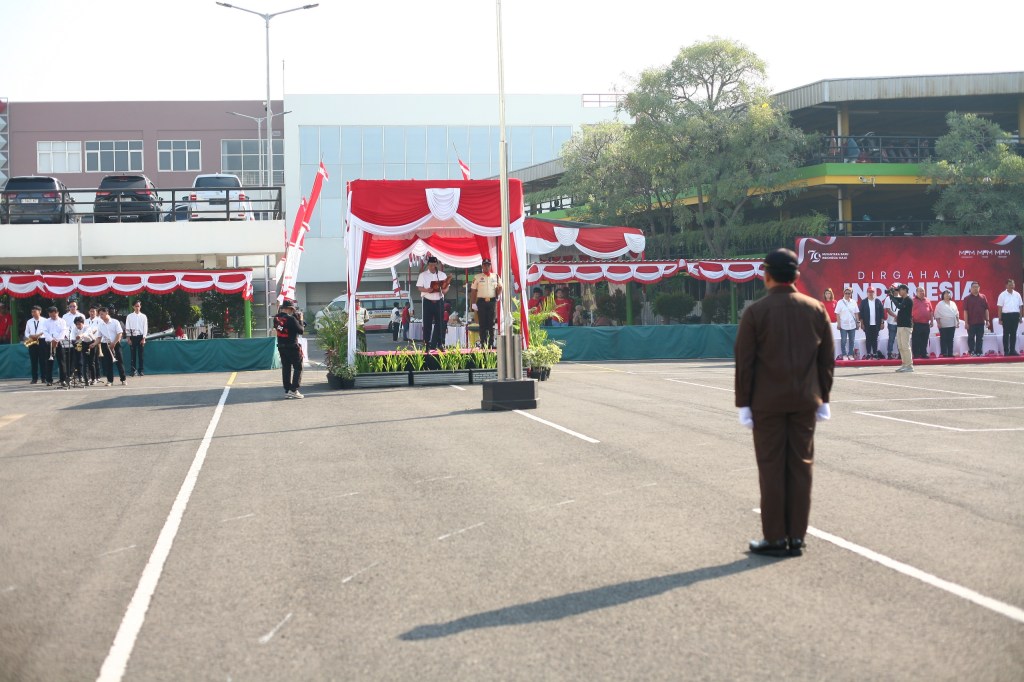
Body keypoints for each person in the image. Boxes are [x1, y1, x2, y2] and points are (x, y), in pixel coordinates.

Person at [735, 248, 834, 557]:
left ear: (766, 275)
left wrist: (744, 404)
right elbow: (826, 361)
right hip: (806, 400)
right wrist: (824, 398)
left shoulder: (755, 312)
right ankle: (796, 537)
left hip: (767, 404)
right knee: (801, 468)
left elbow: (745, 363)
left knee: (772, 468)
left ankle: (775, 537)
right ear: (797, 276)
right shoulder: (816, 308)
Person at [416, 256, 450, 350]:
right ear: (428, 265)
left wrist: (444, 290)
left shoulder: (442, 275)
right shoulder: (423, 275)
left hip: (439, 301)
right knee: (427, 324)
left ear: (437, 265)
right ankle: (427, 344)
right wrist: (427, 290)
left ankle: (440, 344)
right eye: (431, 265)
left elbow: (447, 286)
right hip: (428, 301)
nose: (433, 267)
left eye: (434, 265)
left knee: (440, 324)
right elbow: (419, 287)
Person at [274, 299, 305, 399]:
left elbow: (284, 328)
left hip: (281, 346)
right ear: (289, 309)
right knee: (298, 367)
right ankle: (294, 390)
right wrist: (300, 320)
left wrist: (298, 321)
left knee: (286, 368)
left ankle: (287, 389)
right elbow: (301, 330)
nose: (293, 312)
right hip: (292, 346)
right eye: (292, 310)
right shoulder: (291, 319)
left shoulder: (276, 318)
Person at [471, 258, 502, 349]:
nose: (486, 266)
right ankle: (483, 343)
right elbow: (473, 290)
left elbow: (500, 286)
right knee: (482, 323)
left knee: (491, 323)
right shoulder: (477, 276)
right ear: (482, 266)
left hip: (492, 301)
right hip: (481, 302)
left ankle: (491, 343)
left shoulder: (495, 276)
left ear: (490, 266)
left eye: (488, 265)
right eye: (485, 265)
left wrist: (498, 294)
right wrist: (473, 303)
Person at [96, 307, 127, 386]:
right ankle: (110, 381)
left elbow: (119, 333)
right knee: (108, 363)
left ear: (107, 313)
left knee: (119, 362)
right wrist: (94, 344)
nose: (100, 316)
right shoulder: (100, 324)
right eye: (99, 314)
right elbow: (99, 337)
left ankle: (123, 379)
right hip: (105, 345)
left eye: (102, 314)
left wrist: (113, 343)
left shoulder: (115, 322)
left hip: (115, 344)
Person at [42, 306, 70, 387]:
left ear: (57, 313)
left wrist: (57, 340)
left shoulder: (62, 321)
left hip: (59, 342)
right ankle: (49, 380)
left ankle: (63, 379)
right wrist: (52, 340)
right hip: (49, 342)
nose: (52, 317)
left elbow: (63, 331)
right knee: (49, 362)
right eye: (51, 315)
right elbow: (45, 331)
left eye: (54, 315)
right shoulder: (46, 321)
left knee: (62, 362)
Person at [962, 282, 991, 357]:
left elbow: (986, 309)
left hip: (981, 322)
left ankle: (979, 351)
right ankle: (972, 351)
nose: (975, 288)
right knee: (971, 337)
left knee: (980, 338)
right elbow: (965, 311)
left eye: (977, 287)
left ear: (979, 288)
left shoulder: (983, 297)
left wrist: (987, 320)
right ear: (970, 289)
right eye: (973, 287)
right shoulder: (967, 298)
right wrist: (966, 322)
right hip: (971, 322)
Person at [891, 284, 915, 372]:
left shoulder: (908, 300)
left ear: (905, 290)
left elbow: (900, 306)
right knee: (900, 346)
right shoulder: (904, 299)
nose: (899, 292)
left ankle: (909, 365)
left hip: (906, 326)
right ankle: (904, 364)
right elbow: (898, 300)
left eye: (900, 290)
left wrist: (892, 298)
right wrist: (892, 295)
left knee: (905, 346)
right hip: (900, 325)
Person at [996, 279, 1023, 356]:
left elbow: (1020, 306)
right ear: (1006, 285)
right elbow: (1000, 307)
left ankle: (1012, 350)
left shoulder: (1017, 294)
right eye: (1009, 284)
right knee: (1006, 333)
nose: (1011, 286)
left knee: (1013, 334)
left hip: (1015, 315)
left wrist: (1020, 317)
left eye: (1012, 284)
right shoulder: (1002, 295)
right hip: (1006, 316)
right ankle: (1006, 351)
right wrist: (1000, 318)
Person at [858, 287, 884, 360]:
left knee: (875, 339)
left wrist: (882, 323)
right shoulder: (864, 302)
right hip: (867, 324)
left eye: (872, 292)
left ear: (874, 293)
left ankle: (875, 353)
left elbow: (882, 313)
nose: (871, 293)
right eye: (869, 292)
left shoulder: (878, 301)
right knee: (868, 339)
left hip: (876, 324)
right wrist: (862, 324)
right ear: (867, 293)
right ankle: (868, 353)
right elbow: (861, 314)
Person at [23, 305, 47, 384]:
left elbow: (47, 330)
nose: (33, 313)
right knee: (33, 360)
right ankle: (34, 378)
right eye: (32, 312)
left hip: (42, 340)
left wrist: (39, 334)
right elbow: (26, 332)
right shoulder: (29, 321)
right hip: (32, 340)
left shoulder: (45, 320)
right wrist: (30, 336)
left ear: (39, 311)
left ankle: (44, 378)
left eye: (35, 311)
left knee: (43, 360)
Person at [933, 290, 960, 358]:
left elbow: (956, 313)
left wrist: (957, 321)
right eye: (946, 294)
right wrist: (938, 323)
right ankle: (944, 353)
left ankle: (950, 353)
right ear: (943, 295)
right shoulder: (940, 304)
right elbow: (937, 314)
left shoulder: (953, 303)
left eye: (949, 294)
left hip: (952, 323)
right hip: (943, 324)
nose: (947, 295)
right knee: (944, 339)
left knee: (951, 339)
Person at [834, 288, 859, 360]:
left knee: (852, 340)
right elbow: (837, 314)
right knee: (844, 340)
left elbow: (856, 313)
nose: (847, 295)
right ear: (843, 293)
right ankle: (844, 354)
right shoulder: (840, 302)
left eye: (849, 293)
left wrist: (858, 322)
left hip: (852, 324)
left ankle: (850, 354)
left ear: (851, 294)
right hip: (843, 325)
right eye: (846, 293)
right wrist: (838, 323)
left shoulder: (854, 302)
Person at [125, 300, 148, 376]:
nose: (137, 308)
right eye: (136, 306)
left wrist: (144, 338)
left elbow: (145, 328)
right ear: (133, 307)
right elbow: (127, 327)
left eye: (138, 306)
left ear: (140, 306)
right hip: (132, 337)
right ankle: (133, 370)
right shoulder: (129, 316)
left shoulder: (143, 316)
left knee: (141, 355)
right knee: (133, 355)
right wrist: (128, 338)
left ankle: (141, 370)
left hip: (141, 336)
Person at [911, 286, 934, 359]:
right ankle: (916, 354)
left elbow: (931, 311)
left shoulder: (927, 300)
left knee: (925, 339)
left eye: (923, 291)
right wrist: (911, 322)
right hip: (916, 323)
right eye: (920, 291)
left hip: (926, 324)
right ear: (916, 292)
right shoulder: (912, 300)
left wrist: (932, 321)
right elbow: (909, 312)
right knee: (916, 340)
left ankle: (924, 353)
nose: (922, 292)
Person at [884, 290, 900, 359]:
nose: (895, 291)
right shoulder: (888, 298)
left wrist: (899, 317)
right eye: (894, 290)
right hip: (891, 322)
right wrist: (895, 316)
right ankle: (889, 353)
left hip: (900, 322)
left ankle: (900, 354)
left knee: (900, 340)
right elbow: (888, 310)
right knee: (891, 339)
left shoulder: (901, 297)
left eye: (897, 290)